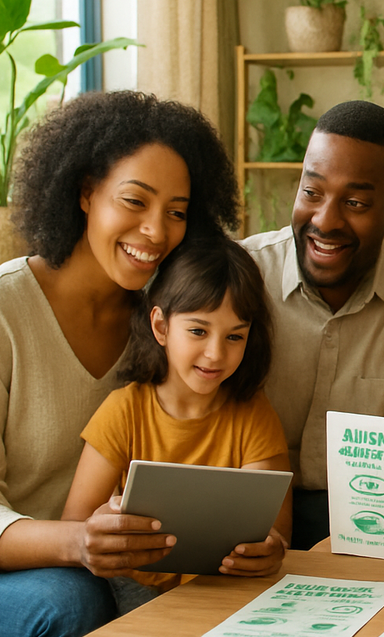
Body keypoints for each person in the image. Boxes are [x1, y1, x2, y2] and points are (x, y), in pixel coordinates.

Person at [0, 91, 241, 637]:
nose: (156, 232)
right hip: (0, 571)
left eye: (177, 213)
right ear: (86, 192)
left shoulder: (168, 322)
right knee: (69, 601)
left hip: (114, 568)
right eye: (134, 201)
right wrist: (75, 542)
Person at [242, 100, 384, 549]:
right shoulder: (244, 275)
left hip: (376, 520)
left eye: (356, 202)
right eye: (312, 192)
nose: (325, 221)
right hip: (251, 516)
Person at [61, 236, 290, 610]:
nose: (216, 353)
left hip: (224, 588)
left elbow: (276, 535)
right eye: (198, 331)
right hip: (131, 587)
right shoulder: (124, 410)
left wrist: (268, 551)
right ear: (161, 327)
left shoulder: (254, 415)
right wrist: (102, 527)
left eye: (235, 336)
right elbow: (75, 527)